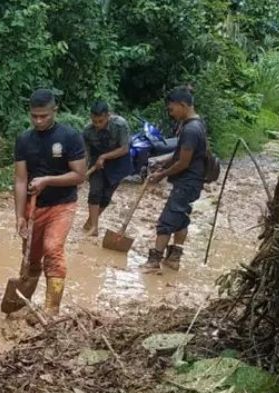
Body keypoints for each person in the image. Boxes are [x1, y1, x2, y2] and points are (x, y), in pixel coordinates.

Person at [11, 88, 87, 315]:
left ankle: (51, 310)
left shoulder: (69, 137)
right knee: (30, 257)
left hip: (61, 205)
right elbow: (20, 179)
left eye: (44, 115)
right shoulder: (24, 140)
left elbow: (79, 175)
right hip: (34, 207)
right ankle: (23, 303)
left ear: (55, 110)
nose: (39, 120)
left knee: (52, 249)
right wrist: (19, 216)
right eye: (34, 116)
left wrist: (47, 181)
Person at [143, 87, 209, 272]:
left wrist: (161, 175)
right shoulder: (196, 124)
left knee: (166, 222)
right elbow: (180, 155)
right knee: (180, 218)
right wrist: (162, 167)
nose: (171, 113)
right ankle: (173, 259)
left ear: (182, 105)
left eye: (171, 109)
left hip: (187, 182)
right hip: (193, 182)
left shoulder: (190, 129)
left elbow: (183, 162)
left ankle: (154, 261)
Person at [81, 101, 133, 236]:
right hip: (96, 162)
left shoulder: (120, 125)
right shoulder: (87, 131)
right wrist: (83, 171)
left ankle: (91, 221)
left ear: (108, 116)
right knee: (94, 192)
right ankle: (94, 227)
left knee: (106, 197)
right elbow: (85, 154)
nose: (97, 125)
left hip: (118, 161)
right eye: (94, 121)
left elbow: (124, 148)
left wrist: (104, 157)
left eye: (101, 121)